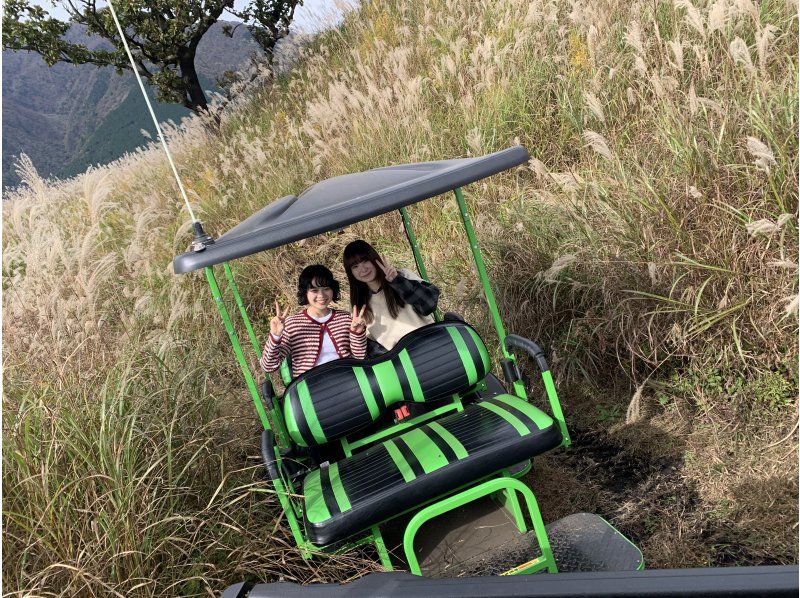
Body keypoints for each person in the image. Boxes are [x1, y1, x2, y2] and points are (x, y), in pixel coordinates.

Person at [260, 264, 367, 379]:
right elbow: (268, 366)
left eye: (326, 288)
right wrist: (275, 337)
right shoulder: (292, 324)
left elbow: (360, 358)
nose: (321, 295)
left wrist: (357, 334)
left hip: (348, 378)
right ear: (305, 292)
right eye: (314, 290)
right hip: (311, 388)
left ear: (332, 289)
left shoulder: (346, 318)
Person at [343, 240, 440, 356]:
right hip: (402, 362)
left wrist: (398, 282)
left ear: (374, 259)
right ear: (351, 272)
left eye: (365, 261)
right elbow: (371, 346)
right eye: (355, 266)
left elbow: (429, 305)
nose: (362, 269)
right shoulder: (357, 303)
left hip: (433, 345)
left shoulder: (403, 275)